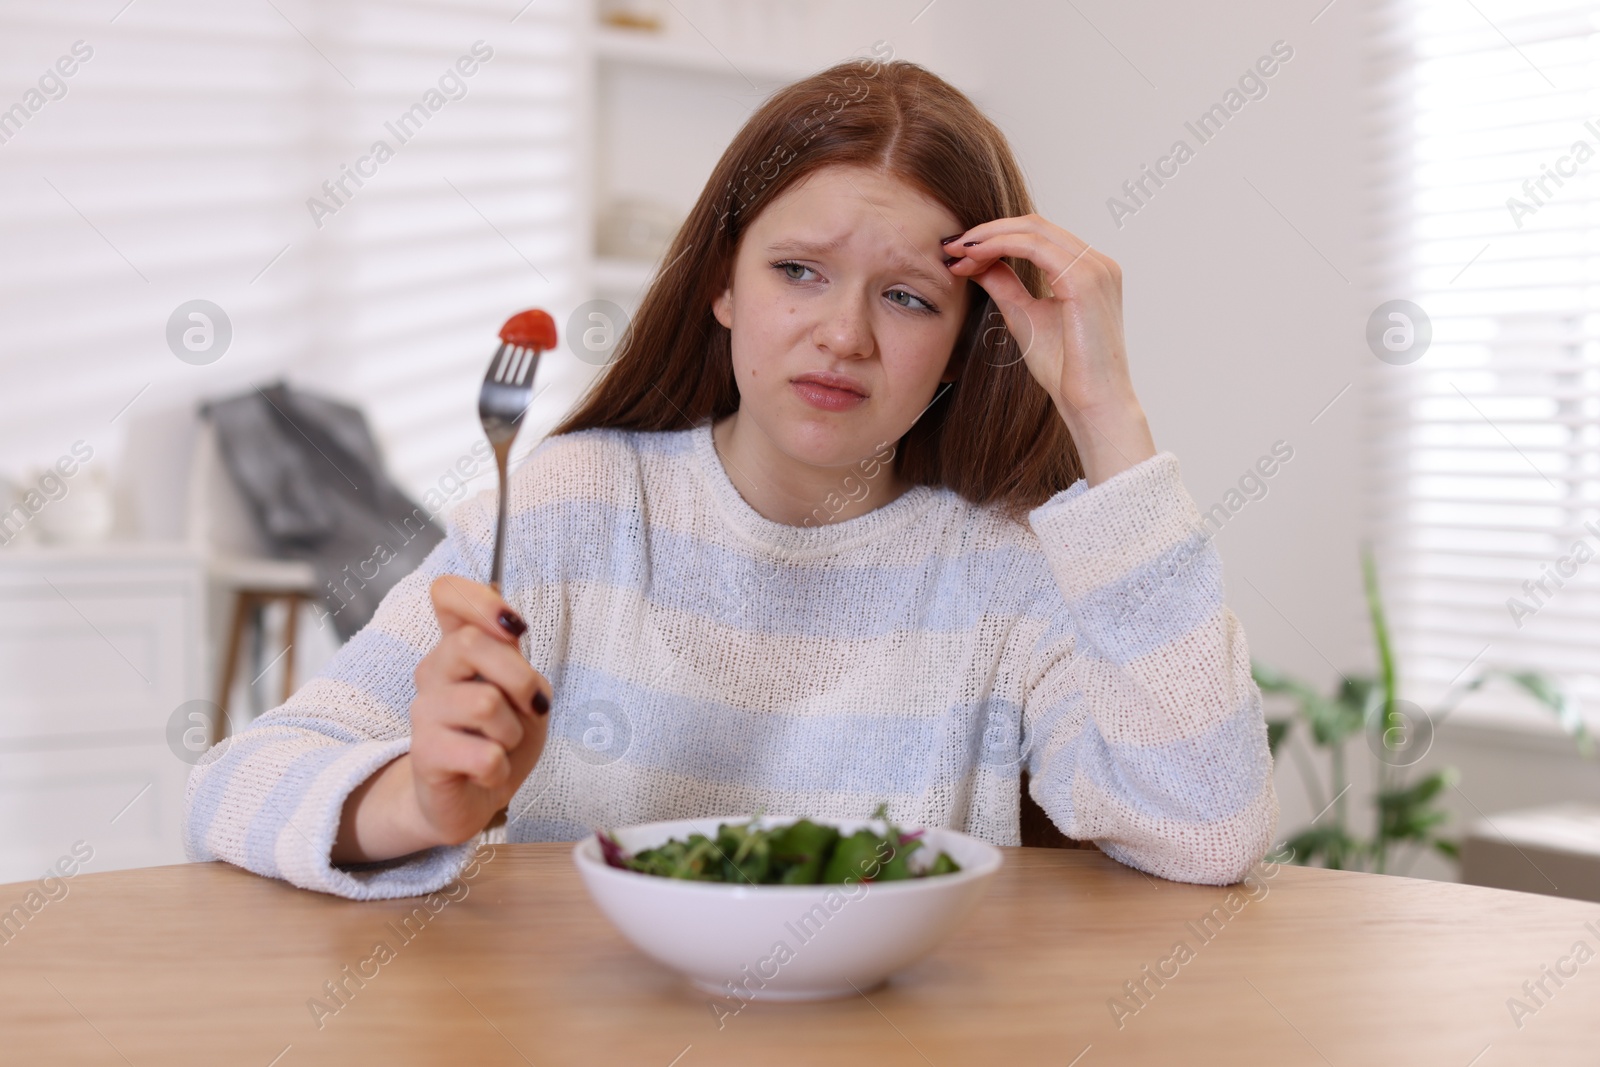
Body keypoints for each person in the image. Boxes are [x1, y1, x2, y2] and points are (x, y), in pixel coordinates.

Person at [184, 56, 1278, 899]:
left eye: (906, 297)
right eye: (797, 271)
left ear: (966, 338)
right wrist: (418, 801)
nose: (840, 334)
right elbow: (235, 784)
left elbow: (1206, 830)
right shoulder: (568, 512)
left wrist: (1106, 412)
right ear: (721, 285)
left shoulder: (1009, 566)